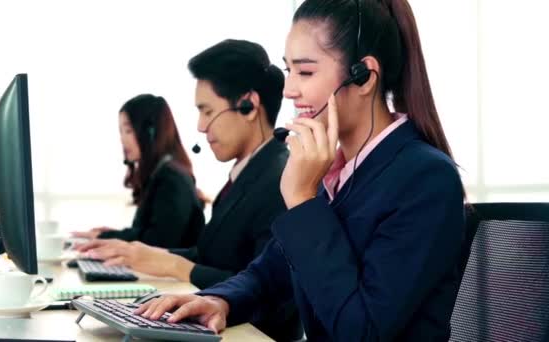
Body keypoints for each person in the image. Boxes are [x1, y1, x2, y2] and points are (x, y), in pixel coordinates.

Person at [131, 1, 467, 341]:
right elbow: (269, 273)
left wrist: (303, 200)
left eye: (305, 72)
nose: (289, 90)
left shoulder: (425, 179)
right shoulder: (340, 174)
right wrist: (220, 300)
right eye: (288, 70)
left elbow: (361, 331)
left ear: (363, 76)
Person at [76, 40, 303, 341]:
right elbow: (213, 255)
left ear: (248, 105)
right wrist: (149, 254)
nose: (200, 126)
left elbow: (271, 288)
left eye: (207, 111)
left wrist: (175, 266)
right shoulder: (247, 173)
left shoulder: (281, 180)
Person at [72, 94, 204, 249]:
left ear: (151, 132)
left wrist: (108, 237)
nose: (122, 139)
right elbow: (150, 233)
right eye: (121, 131)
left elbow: (158, 242)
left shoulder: (171, 178)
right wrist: (113, 235)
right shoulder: (161, 173)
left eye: (128, 130)